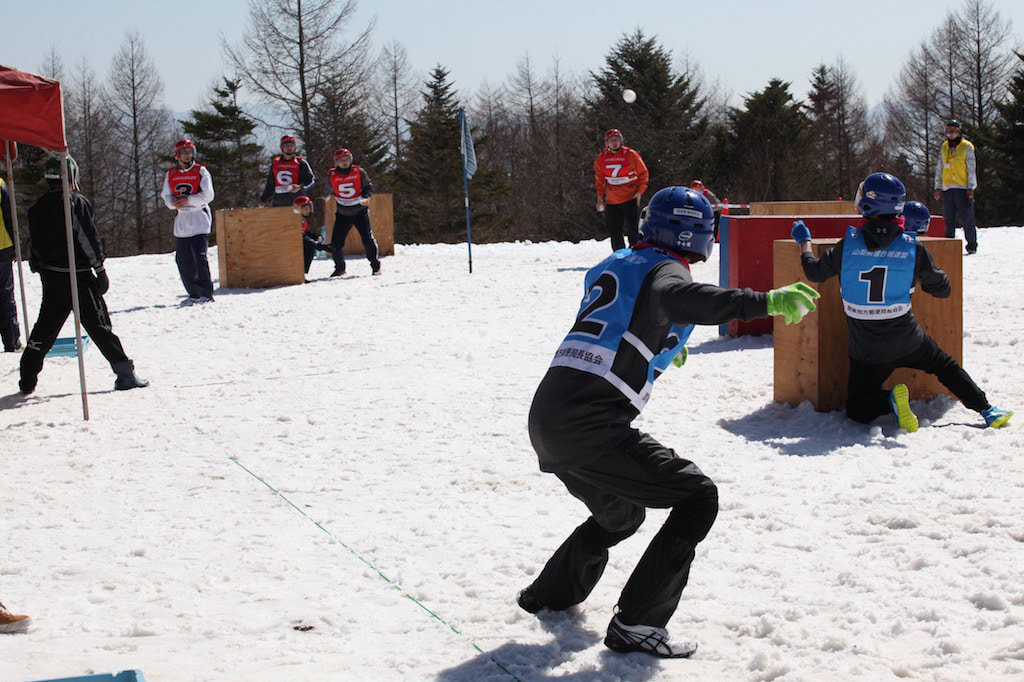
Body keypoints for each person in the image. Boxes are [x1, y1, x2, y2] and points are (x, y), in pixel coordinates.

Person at [519, 186, 820, 658]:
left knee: (621, 514)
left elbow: (621, 316)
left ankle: (549, 594)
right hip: (591, 421)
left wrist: (658, 346)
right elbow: (679, 297)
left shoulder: (617, 262)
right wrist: (763, 302)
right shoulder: (668, 268)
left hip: (549, 415)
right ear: (696, 234)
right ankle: (638, 624)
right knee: (698, 496)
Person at [794, 172, 1012, 431]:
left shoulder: (847, 246)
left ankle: (889, 401)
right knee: (945, 366)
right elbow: (942, 290)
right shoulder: (912, 247)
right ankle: (987, 410)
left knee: (857, 408)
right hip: (909, 340)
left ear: (868, 203)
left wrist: (805, 243)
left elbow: (814, 272)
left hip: (867, 349)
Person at [19, 155, 148, 395]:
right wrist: (99, 269)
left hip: (52, 276)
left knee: (45, 328)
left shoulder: (37, 208)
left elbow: (34, 243)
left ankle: (27, 375)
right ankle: (124, 373)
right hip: (78, 276)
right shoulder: (74, 203)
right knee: (99, 325)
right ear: (71, 176)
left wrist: (39, 265)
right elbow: (87, 237)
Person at [161, 139, 215, 304]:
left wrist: (189, 200)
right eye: (184, 152)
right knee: (182, 259)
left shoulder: (201, 171)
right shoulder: (171, 173)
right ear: (177, 155)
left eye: (190, 151)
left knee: (199, 257)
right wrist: (173, 203)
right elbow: (166, 195)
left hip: (199, 217)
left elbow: (208, 195)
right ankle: (193, 293)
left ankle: (206, 293)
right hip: (183, 219)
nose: (187, 155)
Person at [327, 148, 380, 277]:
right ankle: (340, 268)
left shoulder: (358, 171)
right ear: (336, 162)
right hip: (343, 213)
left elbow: (368, 186)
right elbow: (326, 189)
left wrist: (367, 197)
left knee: (367, 239)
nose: (344, 162)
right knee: (336, 242)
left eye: (347, 159)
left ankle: (375, 266)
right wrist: (325, 195)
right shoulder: (332, 174)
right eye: (341, 160)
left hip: (359, 211)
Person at [594, 129, 649, 251]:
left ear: (621, 141)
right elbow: (599, 180)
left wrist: (639, 192)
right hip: (612, 200)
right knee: (615, 231)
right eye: (611, 141)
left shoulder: (631, 155)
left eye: (616, 140)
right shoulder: (601, 158)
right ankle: (619, 254)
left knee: (633, 229)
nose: (614, 143)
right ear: (607, 143)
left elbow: (643, 173)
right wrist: (600, 198)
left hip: (630, 197)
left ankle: (636, 252)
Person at [933, 119, 978, 255]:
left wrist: (971, 187)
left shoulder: (966, 147)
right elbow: (940, 167)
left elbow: (971, 168)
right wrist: (938, 186)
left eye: (954, 131)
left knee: (967, 218)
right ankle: (948, 244)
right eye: (949, 130)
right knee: (948, 219)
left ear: (959, 132)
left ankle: (971, 244)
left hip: (962, 188)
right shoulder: (944, 147)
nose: (951, 133)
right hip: (948, 188)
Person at [260, 134, 316, 207]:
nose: (289, 148)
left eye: (291, 145)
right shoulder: (276, 163)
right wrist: (264, 199)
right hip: (279, 202)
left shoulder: (301, 163)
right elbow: (270, 184)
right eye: (286, 146)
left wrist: (300, 187)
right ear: (281, 148)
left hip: (297, 201)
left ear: (295, 147)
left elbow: (311, 181)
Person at [1, 174, 20, 352]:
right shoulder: (0, 185)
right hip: (2, 247)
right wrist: (15, 245)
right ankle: (11, 341)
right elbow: (9, 217)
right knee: (6, 296)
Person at [293, 195, 332, 275]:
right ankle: (299, 274)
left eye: (309, 207)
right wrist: (319, 246)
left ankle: (303, 273)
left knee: (310, 249)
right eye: (305, 208)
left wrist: (315, 237)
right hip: (293, 245)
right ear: (298, 209)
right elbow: (301, 237)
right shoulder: (296, 220)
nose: (308, 210)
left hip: (300, 242)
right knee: (309, 247)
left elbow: (304, 233)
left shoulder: (303, 219)